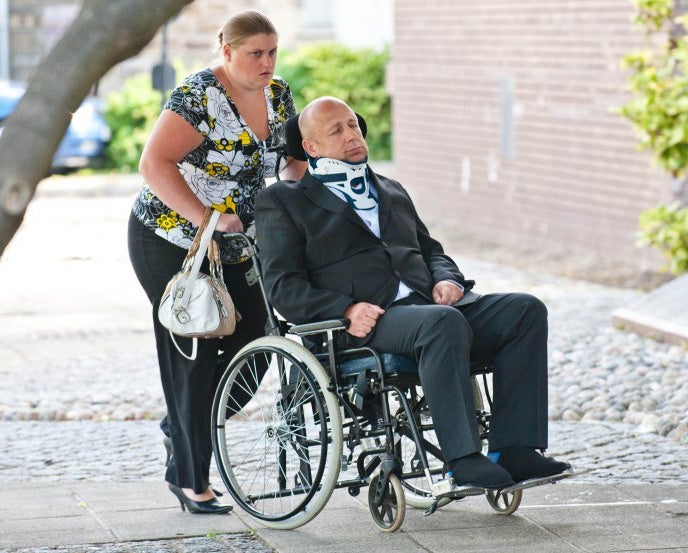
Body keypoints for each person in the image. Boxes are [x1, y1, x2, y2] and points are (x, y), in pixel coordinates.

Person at [254, 96, 571, 490]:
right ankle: (463, 459)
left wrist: (447, 279)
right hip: (367, 322)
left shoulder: (390, 188)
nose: (351, 134)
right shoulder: (285, 201)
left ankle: (515, 450)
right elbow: (283, 287)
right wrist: (347, 308)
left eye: (353, 125)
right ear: (312, 148)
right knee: (442, 323)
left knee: (524, 310)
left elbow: (431, 251)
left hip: (431, 308)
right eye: (336, 130)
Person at [128, 10, 307, 514]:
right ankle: (191, 480)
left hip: (237, 244)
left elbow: (289, 160)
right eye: (256, 53)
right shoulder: (199, 94)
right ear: (227, 51)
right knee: (196, 350)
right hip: (170, 238)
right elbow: (153, 162)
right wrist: (207, 216)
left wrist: (300, 185)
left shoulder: (278, 95)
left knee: (261, 338)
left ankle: (183, 429)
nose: (267, 62)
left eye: (273, 52)